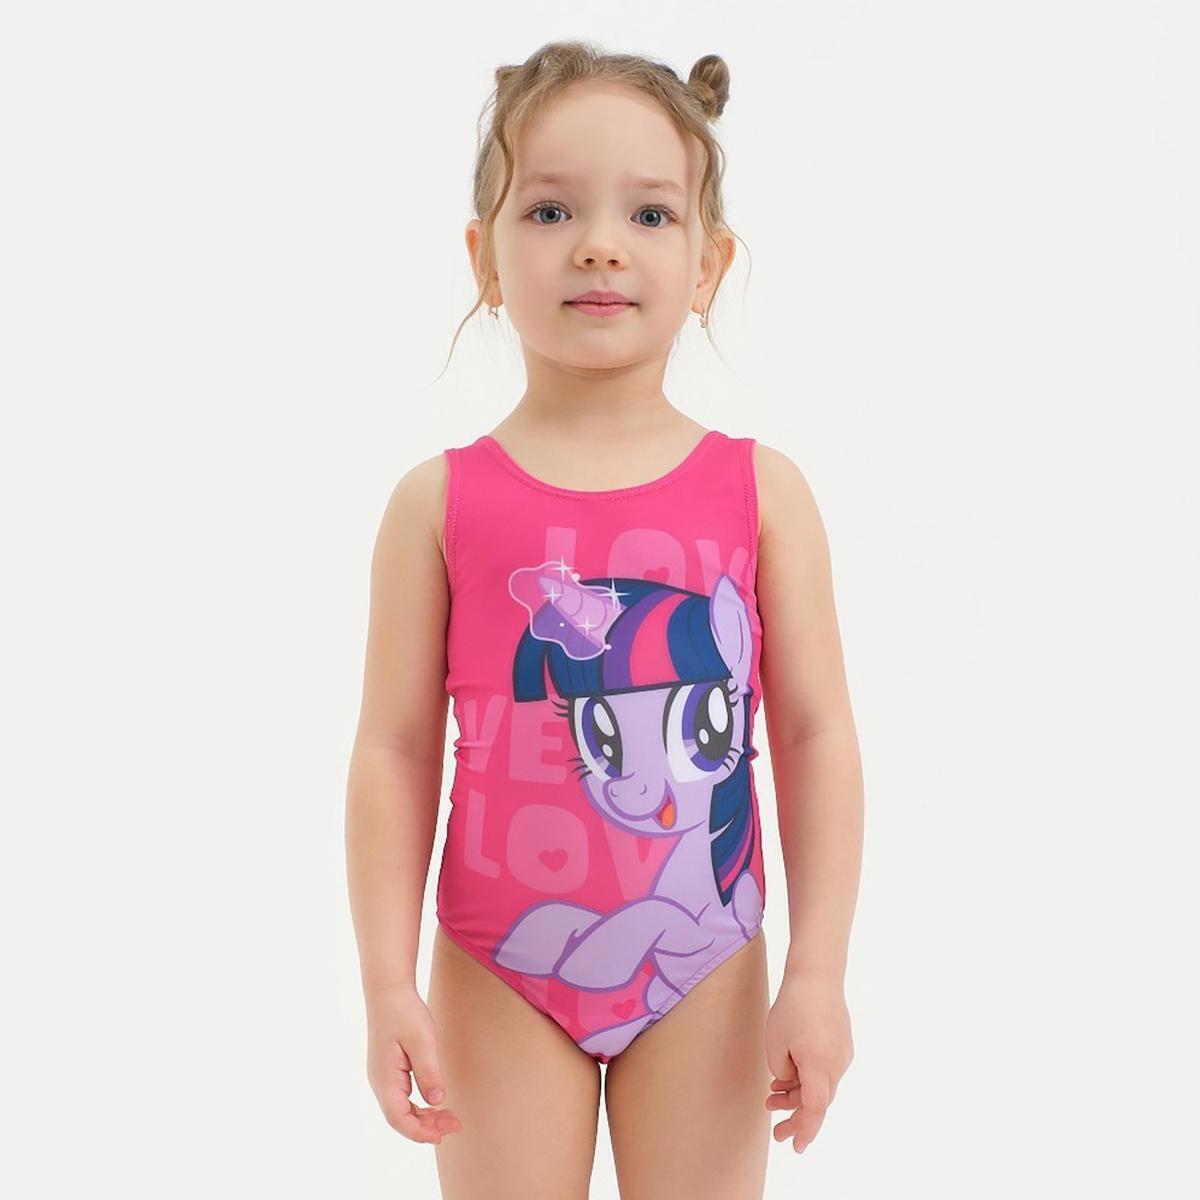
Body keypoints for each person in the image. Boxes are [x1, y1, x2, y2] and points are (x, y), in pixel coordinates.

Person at [345, 40, 863, 1200]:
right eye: (549, 210)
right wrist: (385, 981)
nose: (599, 244)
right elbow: (393, 749)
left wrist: (818, 971)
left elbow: (815, 735)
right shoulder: (437, 504)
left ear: (709, 264)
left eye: (649, 213)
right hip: (499, 964)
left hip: (706, 960)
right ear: (483, 259)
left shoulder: (761, 492)